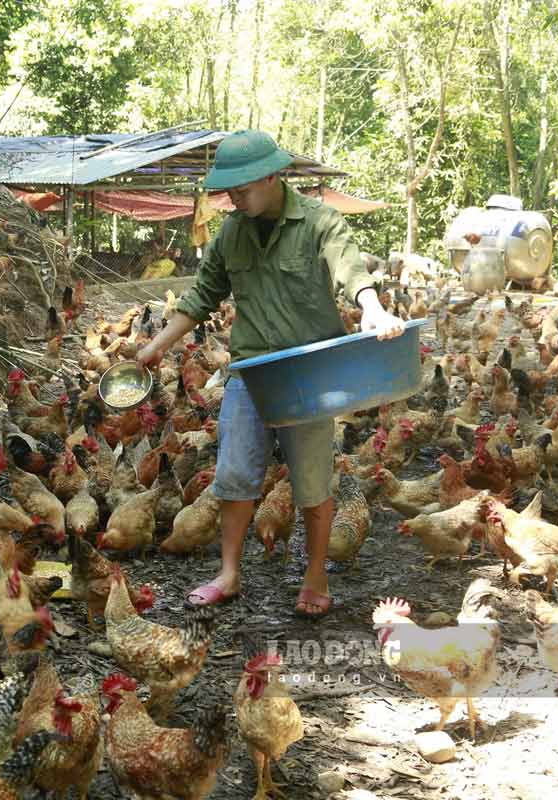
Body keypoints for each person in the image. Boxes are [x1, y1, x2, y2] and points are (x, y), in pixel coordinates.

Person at [136, 130, 403, 617]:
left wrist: (372, 308)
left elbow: (350, 269)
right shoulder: (230, 234)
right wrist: (155, 347)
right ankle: (230, 572)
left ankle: (316, 575)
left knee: (312, 481)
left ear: (273, 177)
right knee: (234, 476)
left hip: (308, 374)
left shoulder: (320, 222)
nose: (233, 198)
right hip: (251, 374)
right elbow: (200, 297)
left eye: (242, 188)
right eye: (229, 190)